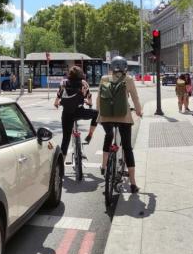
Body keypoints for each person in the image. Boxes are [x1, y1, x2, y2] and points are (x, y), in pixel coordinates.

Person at [97, 57, 142, 193]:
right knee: (127, 148)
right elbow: (135, 97)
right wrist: (139, 111)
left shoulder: (104, 79)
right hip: (124, 117)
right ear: (125, 68)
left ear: (111, 67)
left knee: (108, 136)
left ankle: (105, 165)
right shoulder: (128, 80)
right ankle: (133, 183)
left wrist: (99, 111)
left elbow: (99, 98)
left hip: (106, 117)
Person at [54, 66, 98, 160]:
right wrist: (89, 103)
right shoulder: (83, 83)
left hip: (67, 114)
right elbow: (88, 95)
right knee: (96, 114)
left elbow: (59, 95)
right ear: (81, 74)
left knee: (65, 139)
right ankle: (90, 134)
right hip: (79, 112)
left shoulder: (64, 83)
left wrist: (56, 103)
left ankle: (61, 165)